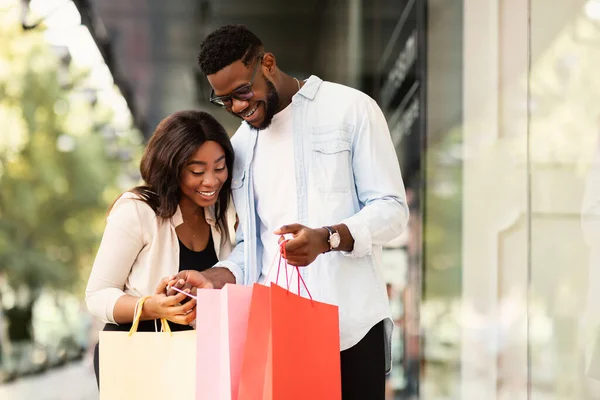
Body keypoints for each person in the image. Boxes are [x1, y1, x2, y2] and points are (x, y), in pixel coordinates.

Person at [171, 24, 409, 399]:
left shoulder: (350, 109)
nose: (236, 107)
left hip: (353, 327)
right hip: (277, 334)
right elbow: (254, 244)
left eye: (242, 92)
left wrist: (329, 238)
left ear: (267, 63)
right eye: (224, 100)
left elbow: (392, 210)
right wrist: (217, 277)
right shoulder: (240, 147)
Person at [85, 110, 236, 386]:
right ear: (172, 167)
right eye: (197, 171)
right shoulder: (137, 210)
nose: (211, 181)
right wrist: (151, 307)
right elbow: (96, 295)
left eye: (220, 167)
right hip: (137, 357)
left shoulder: (222, 216)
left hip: (195, 357)